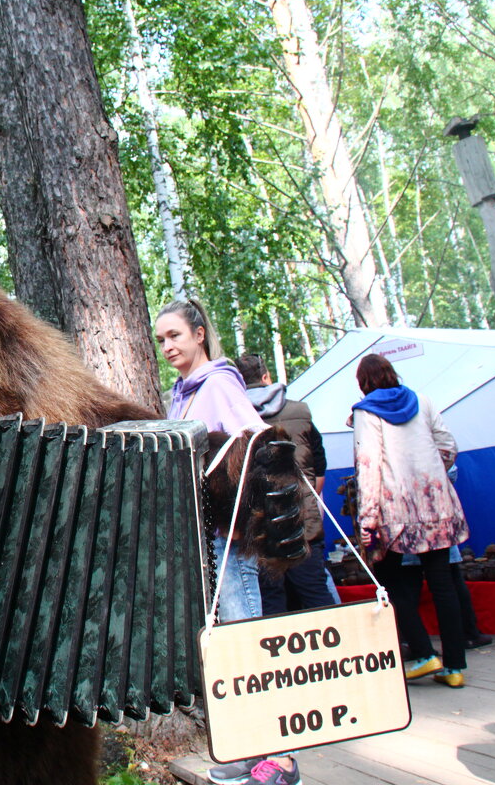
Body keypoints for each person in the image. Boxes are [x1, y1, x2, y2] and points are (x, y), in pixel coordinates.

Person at [155, 301, 301, 785]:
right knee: (229, 647)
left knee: (247, 641)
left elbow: (257, 440)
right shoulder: (182, 392)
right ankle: (248, 748)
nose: (168, 347)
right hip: (205, 540)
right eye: (161, 340)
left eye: (175, 335)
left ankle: (280, 759)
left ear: (199, 334)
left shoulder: (217, 383)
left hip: (230, 535)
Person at [352, 353, 469, 687]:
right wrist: (433, 475)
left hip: (395, 512)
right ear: (392, 373)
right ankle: (455, 667)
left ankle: (422, 653)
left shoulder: (365, 412)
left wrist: (368, 519)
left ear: (363, 384)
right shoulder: (423, 400)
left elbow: (368, 465)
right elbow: (448, 446)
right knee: (443, 583)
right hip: (436, 505)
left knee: (388, 582)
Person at [236, 354, 337, 613]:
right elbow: (319, 468)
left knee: (271, 602)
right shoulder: (301, 412)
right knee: (316, 594)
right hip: (303, 523)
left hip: (261, 526)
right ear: (266, 376)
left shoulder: (236, 416)